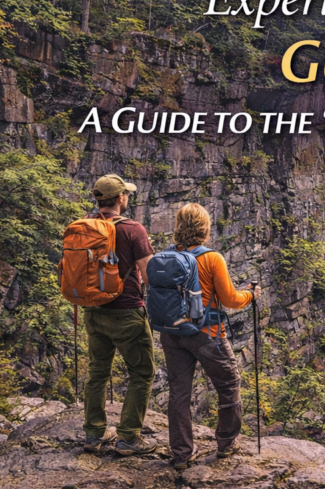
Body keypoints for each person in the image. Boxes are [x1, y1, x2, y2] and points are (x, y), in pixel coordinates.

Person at [160, 203, 258, 471]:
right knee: (228, 385)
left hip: (172, 333)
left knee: (179, 393)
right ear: (205, 227)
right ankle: (226, 443)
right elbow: (230, 300)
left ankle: (181, 454)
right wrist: (250, 294)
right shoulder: (211, 258)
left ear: (178, 225)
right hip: (207, 334)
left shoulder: (166, 256)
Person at [82, 174, 157, 456]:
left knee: (97, 373)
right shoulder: (133, 229)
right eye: (126, 194)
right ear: (120, 198)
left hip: (93, 310)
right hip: (126, 312)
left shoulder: (85, 226)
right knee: (142, 372)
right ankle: (128, 437)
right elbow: (150, 277)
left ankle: (94, 432)